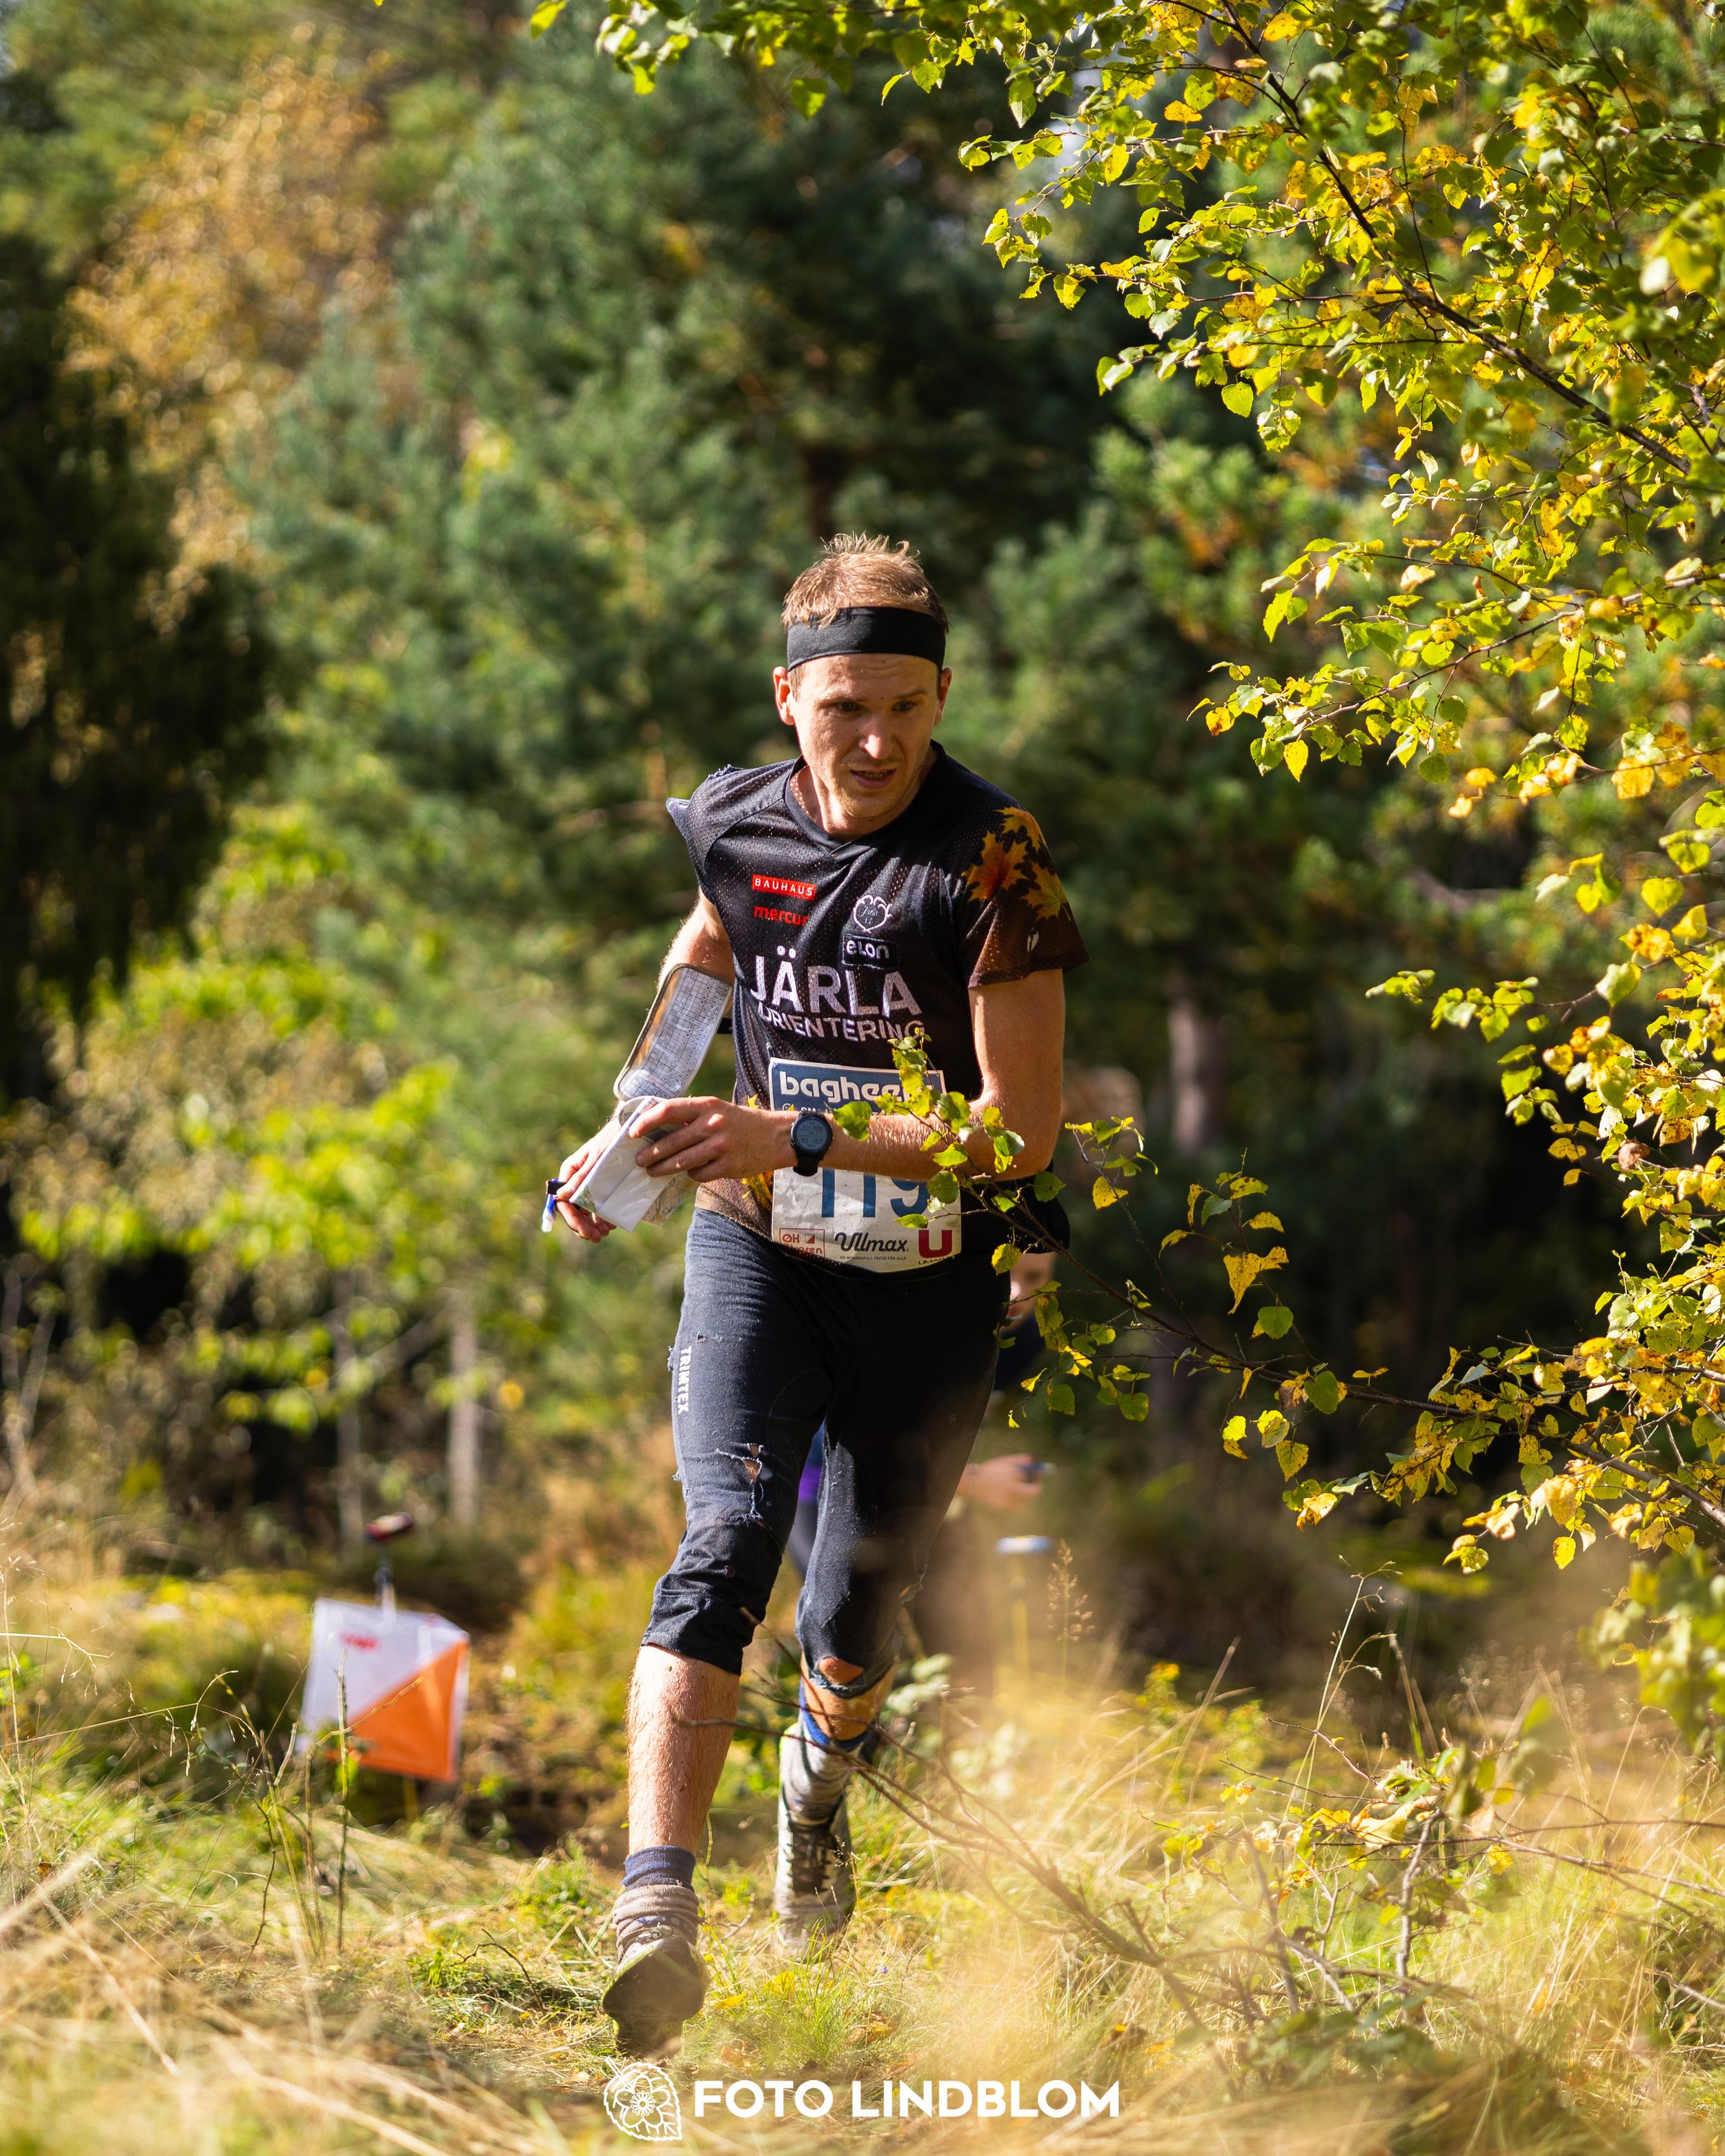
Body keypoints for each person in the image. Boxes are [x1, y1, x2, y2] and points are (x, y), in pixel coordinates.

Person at [552, 535, 1086, 2055]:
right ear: (789, 695)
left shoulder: (994, 860)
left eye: (906, 706)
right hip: (756, 1248)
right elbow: (716, 941)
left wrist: (794, 1124)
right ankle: (654, 1905)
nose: (875, 741)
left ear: (937, 697)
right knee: (720, 1536)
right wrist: (634, 1122)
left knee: (854, 1612)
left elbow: (1017, 1132)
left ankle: (814, 1782)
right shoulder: (734, 817)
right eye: (844, 704)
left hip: (927, 1280)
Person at [786, 1249, 1056, 1700]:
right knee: (861, 1652)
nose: (1018, 1293)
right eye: (1005, 1272)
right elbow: (877, 1438)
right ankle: (848, 1758)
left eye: (1035, 1276)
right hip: (829, 1485)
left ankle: (955, 1762)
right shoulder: (929, 1318)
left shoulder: (1026, 1337)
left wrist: (968, 1479)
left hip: (927, 1491)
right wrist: (975, 1481)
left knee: (969, 1653)